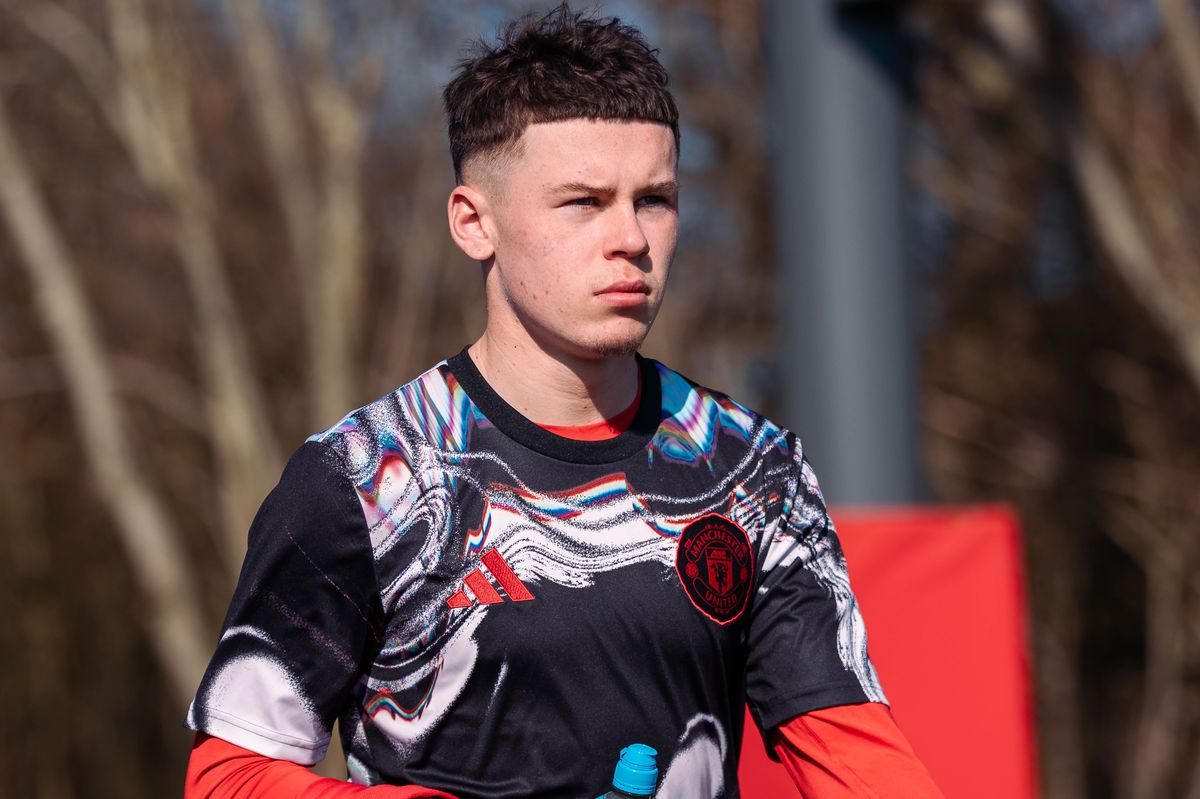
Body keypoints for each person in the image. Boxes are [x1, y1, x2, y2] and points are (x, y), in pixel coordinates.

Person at [184, 5, 945, 798]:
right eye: (583, 202)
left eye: (654, 199)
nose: (632, 238)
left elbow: (857, 756)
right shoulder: (366, 477)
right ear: (473, 223)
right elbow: (229, 776)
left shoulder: (753, 470)